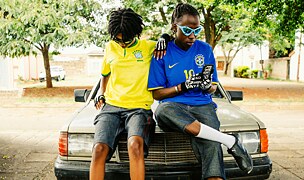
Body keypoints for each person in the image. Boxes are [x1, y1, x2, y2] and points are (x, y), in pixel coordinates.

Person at [148, 3, 253, 180]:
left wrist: (206, 86)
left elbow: (213, 85)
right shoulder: (162, 52)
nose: (193, 36)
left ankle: (218, 146)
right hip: (174, 107)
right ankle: (229, 141)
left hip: (202, 104)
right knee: (162, 110)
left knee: (211, 144)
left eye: (197, 31)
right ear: (175, 27)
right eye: (188, 30)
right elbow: (157, 94)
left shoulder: (205, 50)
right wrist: (182, 87)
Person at [90, 8, 159, 180]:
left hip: (138, 108)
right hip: (111, 107)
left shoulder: (149, 47)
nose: (122, 43)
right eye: (117, 39)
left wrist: (164, 37)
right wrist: (101, 93)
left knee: (135, 145)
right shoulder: (109, 48)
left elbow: (177, 42)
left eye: (126, 40)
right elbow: (105, 75)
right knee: (99, 149)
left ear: (136, 33)